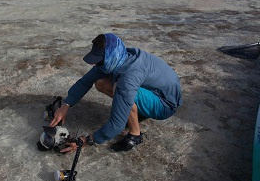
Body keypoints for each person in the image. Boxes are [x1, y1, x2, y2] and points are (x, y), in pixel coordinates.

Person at [50, 33, 182, 152]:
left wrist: (86, 141)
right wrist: (65, 105)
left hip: (165, 104)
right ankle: (138, 112)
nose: (96, 65)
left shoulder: (128, 76)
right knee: (101, 82)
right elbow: (85, 81)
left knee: (120, 88)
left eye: (99, 61)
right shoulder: (118, 57)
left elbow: (116, 125)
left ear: (110, 56)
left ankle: (135, 134)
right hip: (154, 92)